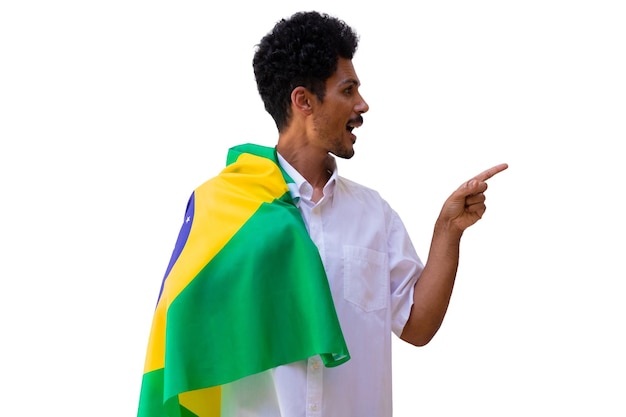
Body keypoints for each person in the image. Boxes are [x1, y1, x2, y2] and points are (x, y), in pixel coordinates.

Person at [137, 10, 508, 417]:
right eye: (347, 90)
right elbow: (181, 331)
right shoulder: (222, 208)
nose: (362, 104)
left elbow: (417, 327)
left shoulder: (374, 214)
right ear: (304, 101)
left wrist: (448, 231)